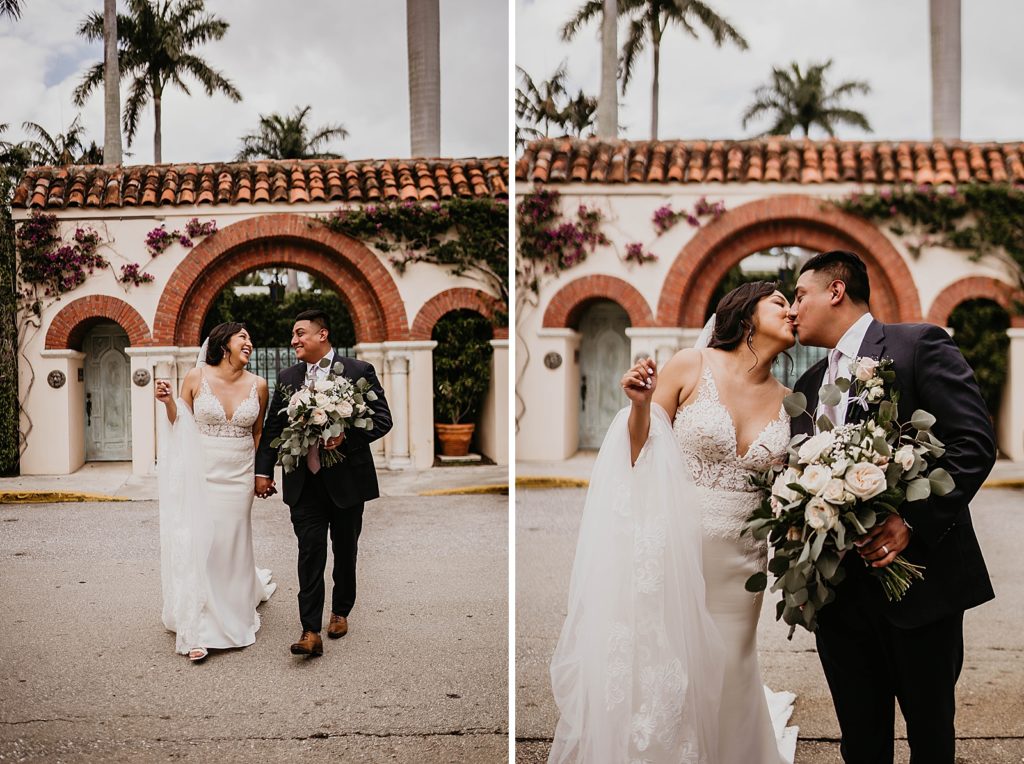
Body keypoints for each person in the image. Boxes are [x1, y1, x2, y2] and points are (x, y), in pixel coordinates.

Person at [549, 282, 798, 763]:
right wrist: (640, 407)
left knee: (730, 663)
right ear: (746, 316)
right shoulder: (692, 364)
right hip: (673, 546)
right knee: (667, 663)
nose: (792, 313)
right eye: (780, 303)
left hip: (742, 561)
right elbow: (637, 451)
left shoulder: (790, 399)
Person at [788, 250, 996, 763]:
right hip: (839, 599)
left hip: (920, 585)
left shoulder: (918, 345)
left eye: (799, 295)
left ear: (836, 290)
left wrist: (911, 522)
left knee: (930, 738)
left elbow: (972, 443)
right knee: (860, 742)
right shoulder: (807, 386)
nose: (793, 310)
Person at [255, 309, 392, 658]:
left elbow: (382, 419)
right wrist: (263, 472)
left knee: (345, 552)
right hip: (304, 482)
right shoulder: (288, 377)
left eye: (300, 333)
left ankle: (340, 611)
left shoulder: (359, 371)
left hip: (347, 481)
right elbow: (273, 428)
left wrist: (345, 437)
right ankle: (309, 630)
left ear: (323, 335)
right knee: (309, 553)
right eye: (293, 335)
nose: (294, 340)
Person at [155, 322, 277, 663]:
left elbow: (257, 433)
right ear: (224, 343)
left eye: (251, 338)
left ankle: (235, 611)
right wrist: (167, 401)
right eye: (243, 338)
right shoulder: (196, 376)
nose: (249, 343)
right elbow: (181, 420)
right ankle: (200, 626)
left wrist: (257, 475)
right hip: (202, 470)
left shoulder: (259, 385)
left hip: (238, 474)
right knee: (203, 541)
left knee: (232, 540)